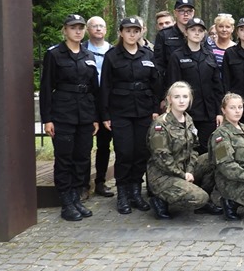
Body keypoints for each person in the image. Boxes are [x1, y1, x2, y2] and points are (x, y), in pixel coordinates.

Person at [40, 14, 100, 222]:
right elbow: (46, 88)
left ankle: (76, 196)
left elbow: (94, 88)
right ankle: (66, 201)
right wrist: (47, 119)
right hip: (63, 113)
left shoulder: (88, 55)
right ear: (64, 30)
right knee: (64, 158)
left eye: (81, 27)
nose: (78, 31)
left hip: (85, 113)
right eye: (73, 27)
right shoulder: (54, 54)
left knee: (82, 157)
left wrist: (95, 117)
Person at [99, 16, 158, 215]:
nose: (132, 34)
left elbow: (155, 84)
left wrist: (155, 109)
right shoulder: (112, 56)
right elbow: (105, 86)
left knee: (141, 152)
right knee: (124, 153)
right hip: (120, 111)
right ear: (121, 33)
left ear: (141, 32)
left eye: (136, 31)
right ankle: (122, 193)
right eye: (128, 31)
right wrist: (105, 114)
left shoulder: (147, 55)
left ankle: (136, 191)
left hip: (143, 110)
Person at [146, 81, 215, 216]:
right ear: (169, 99)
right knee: (200, 198)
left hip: (184, 169)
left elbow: (194, 148)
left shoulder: (188, 120)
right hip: (164, 176)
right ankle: (160, 199)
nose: (181, 101)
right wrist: (183, 175)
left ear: (190, 99)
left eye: (185, 97)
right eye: (177, 97)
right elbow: (161, 157)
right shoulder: (160, 125)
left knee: (213, 158)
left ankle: (199, 196)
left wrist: (189, 170)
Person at [166, 16, 225, 162]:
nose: (197, 33)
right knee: (185, 151)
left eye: (200, 30)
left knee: (208, 151)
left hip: (208, 113)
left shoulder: (209, 55)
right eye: (193, 30)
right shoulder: (177, 56)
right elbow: (173, 87)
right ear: (186, 32)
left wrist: (219, 112)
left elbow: (217, 86)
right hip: (186, 113)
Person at [84, 16, 114, 198]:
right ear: (88, 30)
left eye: (101, 26)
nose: (98, 29)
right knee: (84, 145)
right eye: (94, 26)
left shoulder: (113, 50)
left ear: (106, 29)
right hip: (87, 101)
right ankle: (83, 184)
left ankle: (100, 182)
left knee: (104, 145)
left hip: (108, 103)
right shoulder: (81, 49)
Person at [154, 0, 196, 78]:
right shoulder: (164, 35)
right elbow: (159, 63)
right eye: (181, 11)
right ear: (175, 13)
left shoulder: (200, 34)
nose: (186, 14)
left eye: (189, 11)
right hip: (172, 79)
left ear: (193, 13)